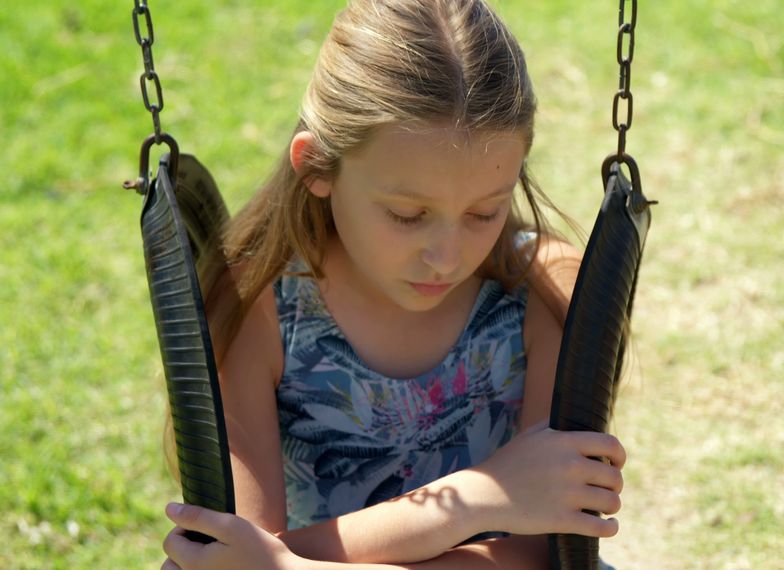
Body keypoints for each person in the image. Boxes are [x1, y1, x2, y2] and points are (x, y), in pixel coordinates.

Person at [160, 1, 627, 568]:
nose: (446, 257)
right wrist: (480, 498)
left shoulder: (546, 291)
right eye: (408, 214)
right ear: (318, 169)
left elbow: (542, 555)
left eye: (484, 212)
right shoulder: (258, 307)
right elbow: (233, 553)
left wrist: (291, 564)